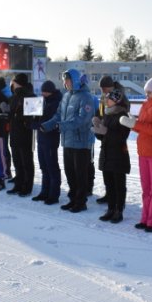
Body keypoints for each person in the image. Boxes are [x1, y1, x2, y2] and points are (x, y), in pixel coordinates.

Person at [120, 77, 152, 232]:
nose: (147, 94)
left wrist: (136, 124)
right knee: (146, 188)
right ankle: (145, 218)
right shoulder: (146, 103)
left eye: (149, 92)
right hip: (144, 150)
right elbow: (142, 126)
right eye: (146, 92)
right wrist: (133, 124)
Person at [41, 68, 95, 213]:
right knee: (70, 173)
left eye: (68, 80)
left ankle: (81, 202)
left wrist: (61, 125)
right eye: (64, 80)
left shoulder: (86, 97)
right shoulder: (66, 97)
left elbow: (82, 120)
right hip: (67, 141)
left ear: (76, 81)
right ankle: (73, 199)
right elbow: (58, 116)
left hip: (81, 142)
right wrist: (47, 125)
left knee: (80, 174)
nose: (65, 83)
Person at [93, 88, 131, 223]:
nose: (105, 101)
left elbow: (122, 137)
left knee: (118, 185)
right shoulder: (107, 114)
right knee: (108, 183)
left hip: (118, 155)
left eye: (108, 99)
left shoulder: (123, 116)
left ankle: (118, 210)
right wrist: (97, 129)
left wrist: (106, 132)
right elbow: (102, 137)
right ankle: (110, 209)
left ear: (115, 101)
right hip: (107, 153)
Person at [31, 80, 62, 205]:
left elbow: (51, 121)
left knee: (52, 167)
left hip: (50, 138)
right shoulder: (43, 101)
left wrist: (37, 124)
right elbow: (38, 117)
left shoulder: (56, 103)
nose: (43, 94)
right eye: (42, 91)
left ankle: (53, 194)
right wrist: (32, 118)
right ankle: (44, 192)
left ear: (50, 91)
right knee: (44, 167)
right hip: (41, 138)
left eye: (45, 92)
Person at [7, 73, 36, 196]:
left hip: (25, 135)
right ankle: (18, 184)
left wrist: (19, 117)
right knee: (17, 161)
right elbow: (11, 113)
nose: (11, 84)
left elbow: (33, 118)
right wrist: (6, 115)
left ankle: (27, 186)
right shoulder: (14, 96)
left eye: (13, 82)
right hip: (14, 133)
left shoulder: (30, 96)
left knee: (26, 162)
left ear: (16, 82)